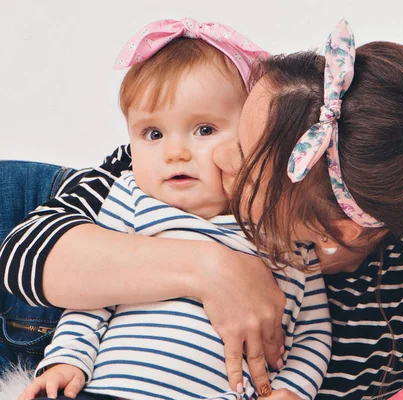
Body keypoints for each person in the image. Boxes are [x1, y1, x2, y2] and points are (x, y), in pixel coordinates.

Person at [1, 20, 403, 399]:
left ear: (330, 230)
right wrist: (215, 268)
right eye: (238, 121)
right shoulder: (174, 172)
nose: (215, 154)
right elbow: (25, 254)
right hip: (47, 313)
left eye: (245, 159)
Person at [17, 18, 330, 400]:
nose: (175, 152)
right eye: (153, 134)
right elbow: (91, 298)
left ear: (251, 133)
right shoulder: (130, 200)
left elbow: (313, 334)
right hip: (110, 390)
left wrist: (294, 391)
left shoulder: (279, 227)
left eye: (204, 130)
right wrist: (67, 360)